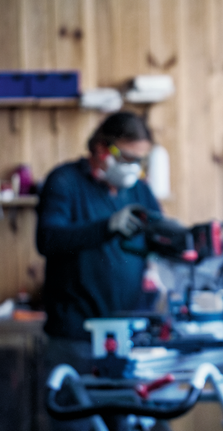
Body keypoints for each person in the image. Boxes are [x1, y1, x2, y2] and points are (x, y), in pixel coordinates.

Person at [36, 111, 161, 430]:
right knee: (76, 425)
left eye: (141, 160)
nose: (134, 167)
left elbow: (159, 236)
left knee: (128, 422)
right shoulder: (65, 181)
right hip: (74, 335)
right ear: (102, 148)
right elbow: (48, 239)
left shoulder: (139, 191)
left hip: (126, 337)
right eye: (129, 157)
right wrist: (107, 227)